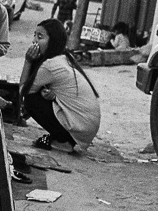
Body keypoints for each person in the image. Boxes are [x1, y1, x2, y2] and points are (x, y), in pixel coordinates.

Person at [20, 19, 100, 153]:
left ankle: (63, 142)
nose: (34, 41)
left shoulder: (50, 65)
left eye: (40, 37)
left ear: (53, 41)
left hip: (79, 130)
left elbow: (22, 90)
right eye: (34, 35)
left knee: (30, 100)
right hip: (86, 130)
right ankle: (63, 138)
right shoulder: (64, 58)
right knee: (38, 94)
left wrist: (28, 61)